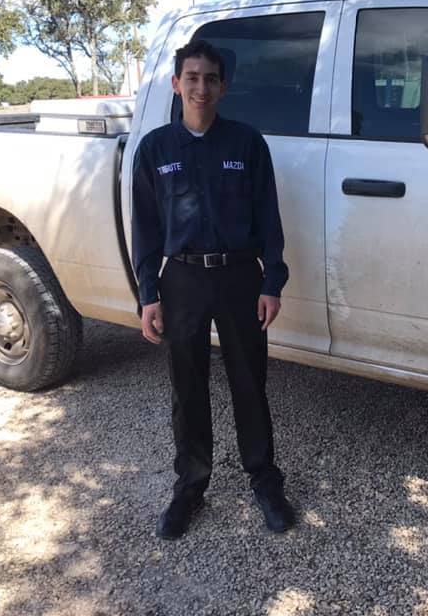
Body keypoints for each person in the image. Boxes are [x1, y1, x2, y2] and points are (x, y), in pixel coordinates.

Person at [131, 39, 295, 539]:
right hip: (181, 280)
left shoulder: (246, 144)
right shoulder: (155, 149)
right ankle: (190, 486)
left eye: (210, 79)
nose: (200, 87)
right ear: (176, 84)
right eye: (192, 77)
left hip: (240, 277)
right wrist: (148, 294)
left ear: (223, 87)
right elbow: (145, 229)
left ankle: (265, 482)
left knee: (250, 384)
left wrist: (272, 280)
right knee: (187, 388)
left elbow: (269, 218)